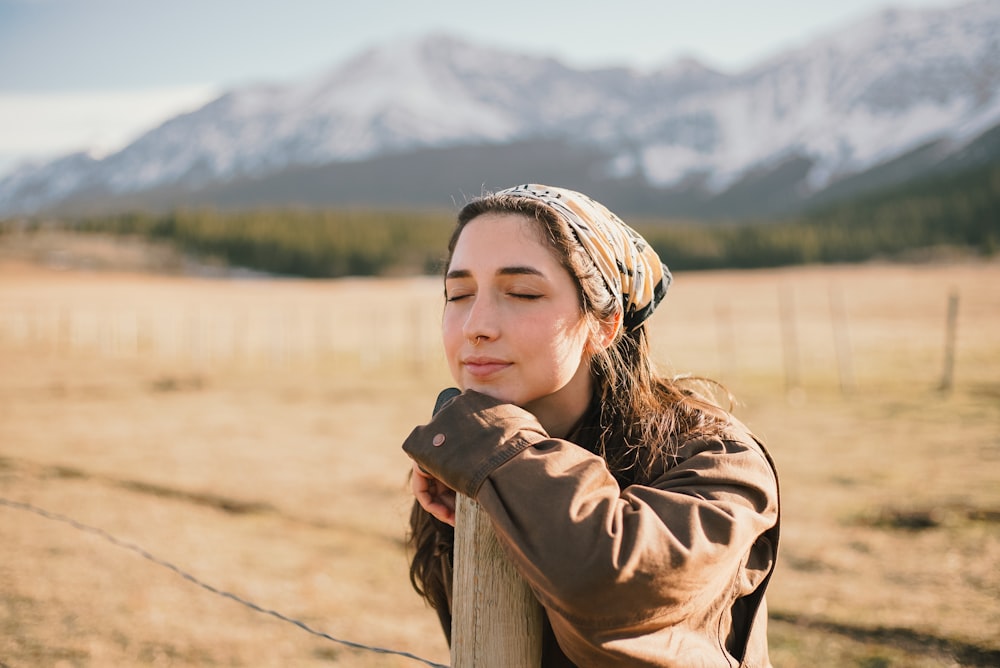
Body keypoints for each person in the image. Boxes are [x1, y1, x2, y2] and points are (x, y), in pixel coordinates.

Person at [402, 184, 780, 667]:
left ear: (604, 324)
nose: (477, 324)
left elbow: (611, 586)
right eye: (458, 294)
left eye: (522, 292)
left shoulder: (718, 460)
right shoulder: (469, 464)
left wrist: (489, 449)